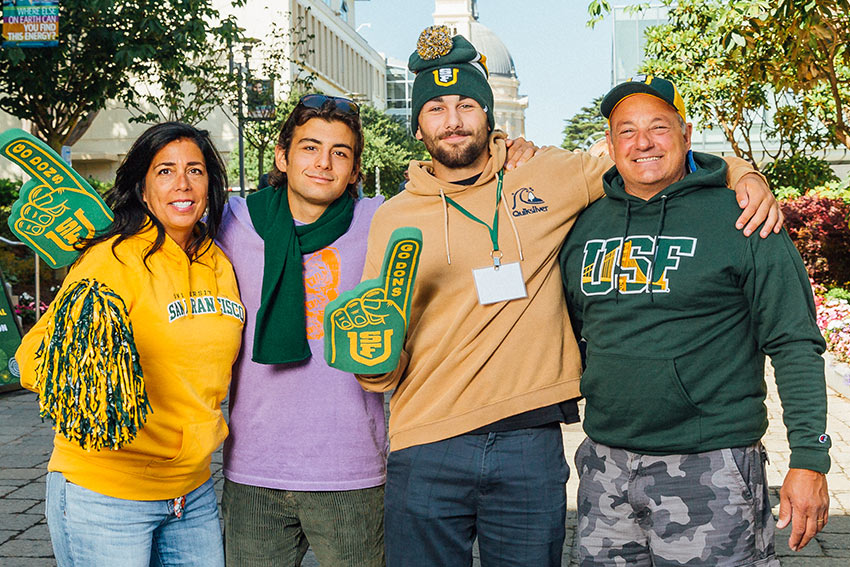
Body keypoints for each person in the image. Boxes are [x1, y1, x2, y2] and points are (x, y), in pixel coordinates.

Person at [354, 27, 784, 567]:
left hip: (528, 441)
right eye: (436, 108)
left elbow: (648, 152)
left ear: (490, 116)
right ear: (417, 126)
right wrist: (370, 361)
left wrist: (746, 174)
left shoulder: (547, 174)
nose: (454, 119)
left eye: (467, 103)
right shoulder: (393, 217)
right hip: (427, 440)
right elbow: (377, 344)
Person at [217, 93, 536, 567]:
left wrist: (507, 152)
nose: (324, 163)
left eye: (340, 153)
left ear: (355, 167)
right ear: (282, 157)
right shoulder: (233, 220)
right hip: (252, 471)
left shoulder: (384, 219)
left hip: (354, 472)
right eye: (309, 147)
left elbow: (463, 189)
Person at [560, 76, 830, 566]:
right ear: (609, 144)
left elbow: (794, 341)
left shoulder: (745, 218)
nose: (642, 142)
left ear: (686, 133)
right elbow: (581, 332)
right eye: (626, 131)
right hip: (605, 468)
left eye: (658, 127)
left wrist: (810, 460)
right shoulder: (586, 226)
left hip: (712, 469)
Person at [16, 122, 244, 567]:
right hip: (107, 493)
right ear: (142, 187)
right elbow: (31, 359)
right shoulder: (110, 259)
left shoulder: (218, 259)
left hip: (192, 491)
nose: (182, 183)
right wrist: (92, 363)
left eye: (195, 170)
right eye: (165, 171)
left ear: (210, 184)